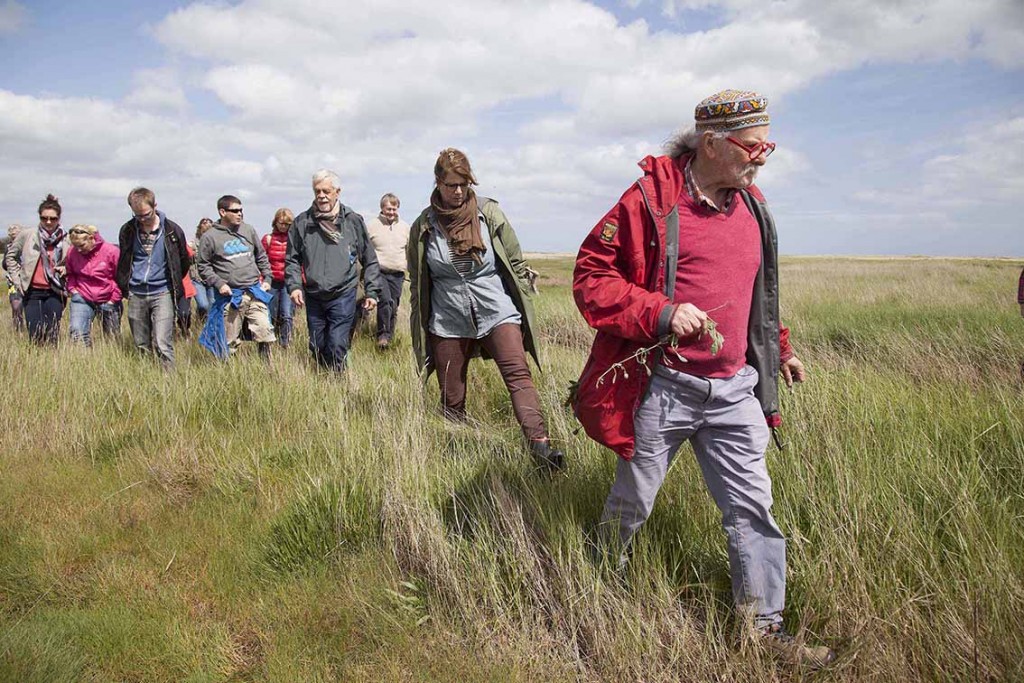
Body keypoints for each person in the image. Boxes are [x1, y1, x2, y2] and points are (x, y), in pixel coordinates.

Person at [571, 90, 834, 668]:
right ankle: (591, 591)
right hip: (663, 386)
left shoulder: (754, 206)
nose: (762, 158)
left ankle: (764, 631)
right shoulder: (650, 200)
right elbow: (590, 278)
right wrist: (661, 312)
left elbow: (752, 295)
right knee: (632, 502)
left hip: (735, 389)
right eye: (754, 146)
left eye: (769, 145)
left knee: (752, 509)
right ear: (712, 144)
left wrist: (779, 349)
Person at [408, 148, 564, 471]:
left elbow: (517, 264)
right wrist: (418, 327)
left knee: (519, 375)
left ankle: (541, 450)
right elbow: (417, 283)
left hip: (496, 310)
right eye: (451, 185)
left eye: (464, 184)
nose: (459, 191)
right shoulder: (423, 226)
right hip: (447, 319)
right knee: (451, 396)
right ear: (438, 183)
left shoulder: (489, 214)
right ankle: (456, 457)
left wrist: (526, 308)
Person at [286, 170, 381, 371]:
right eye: (317, 191)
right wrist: (294, 286)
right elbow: (292, 259)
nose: (321, 196)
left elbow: (370, 259)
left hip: (343, 293)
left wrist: (372, 291)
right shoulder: (302, 223)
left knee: (337, 342)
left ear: (337, 192)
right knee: (317, 345)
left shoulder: (353, 221)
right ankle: (323, 378)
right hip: (314, 294)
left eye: (326, 191)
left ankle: (338, 382)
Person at [116, 187, 190, 369]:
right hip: (136, 292)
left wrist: (172, 284)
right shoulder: (127, 230)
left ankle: (169, 384)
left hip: (162, 292)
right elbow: (124, 260)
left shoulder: (172, 231)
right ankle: (146, 378)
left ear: (155, 206)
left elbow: (182, 262)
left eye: (146, 214)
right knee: (141, 344)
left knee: (163, 343)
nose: (142, 219)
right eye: (137, 215)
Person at [198, 195, 275, 360]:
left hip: (255, 291)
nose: (240, 214)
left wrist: (267, 278)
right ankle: (229, 371)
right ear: (222, 212)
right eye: (235, 211)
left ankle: (267, 367)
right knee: (230, 340)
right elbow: (203, 266)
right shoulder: (210, 237)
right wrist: (219, 284)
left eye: (241, 210)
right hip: (231, 296)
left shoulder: (248, 230)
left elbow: (261, 256)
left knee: (265, 330)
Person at [3, 195, 68, 345]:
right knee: (35, 333)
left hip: (55, 291)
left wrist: (66, 268)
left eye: (53, 218)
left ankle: (52, 364)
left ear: (59, 218)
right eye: (44, 218)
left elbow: (74, 262)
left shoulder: (66, 239)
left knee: (52, 333)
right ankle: (37, 361)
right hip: (32, 292)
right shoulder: (28, 235)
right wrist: (17, 279)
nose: (48, 222)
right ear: (39, 217)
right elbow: (10, 257)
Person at [65, 224, 122, 345]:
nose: (79, 250)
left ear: (91, 238)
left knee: (112, 338)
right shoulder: (72, 252)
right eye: (75, 246)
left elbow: (121, 277)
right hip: (82, 297)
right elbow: (70, 274)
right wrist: (73, 290)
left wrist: (114, 298)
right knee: (77, 333)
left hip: (108, 298)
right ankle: (82, 361)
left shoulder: (111, 251)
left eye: (81, 245)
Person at [366, 193, 410, 349]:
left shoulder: (405, 227)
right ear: (382, 209)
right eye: (388, 209)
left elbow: (409, 250)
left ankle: (389, 337)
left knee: (394, 306)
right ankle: (383, 334)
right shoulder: (372, 226)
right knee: (385, 301)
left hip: (398, 273)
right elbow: (364, 249)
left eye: (394, 209)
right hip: (379, 271)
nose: (391, 212)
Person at [262, 208, 294, 348]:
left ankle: (285, 343)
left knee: (286, 314)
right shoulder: (268, 239)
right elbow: (261, 260)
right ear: (275, 222)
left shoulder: (294, 241)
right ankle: (270, 340)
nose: (283, 226)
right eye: (281, 223)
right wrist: (262, 280)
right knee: (271, 314)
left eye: (286, 224)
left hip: (288, 282)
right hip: (272, 282)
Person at [190, 218, 215, 321]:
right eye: (204, 224)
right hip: (197, 279)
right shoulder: (193, 244)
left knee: (212, 304)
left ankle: (206, 327)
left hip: (211, 279)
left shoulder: (216, 243)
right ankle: (200, 318)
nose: (207, 226)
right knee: (203, 304)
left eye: (209, 224)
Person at [3, 224, 26, 332]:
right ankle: (18, 330)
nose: (14, 237)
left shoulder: (28, 246)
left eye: (15, 235)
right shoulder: (8, 248)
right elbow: (4, 264)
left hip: (28, 279)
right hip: (13, 281)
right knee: (16, 306)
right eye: (12, 236)